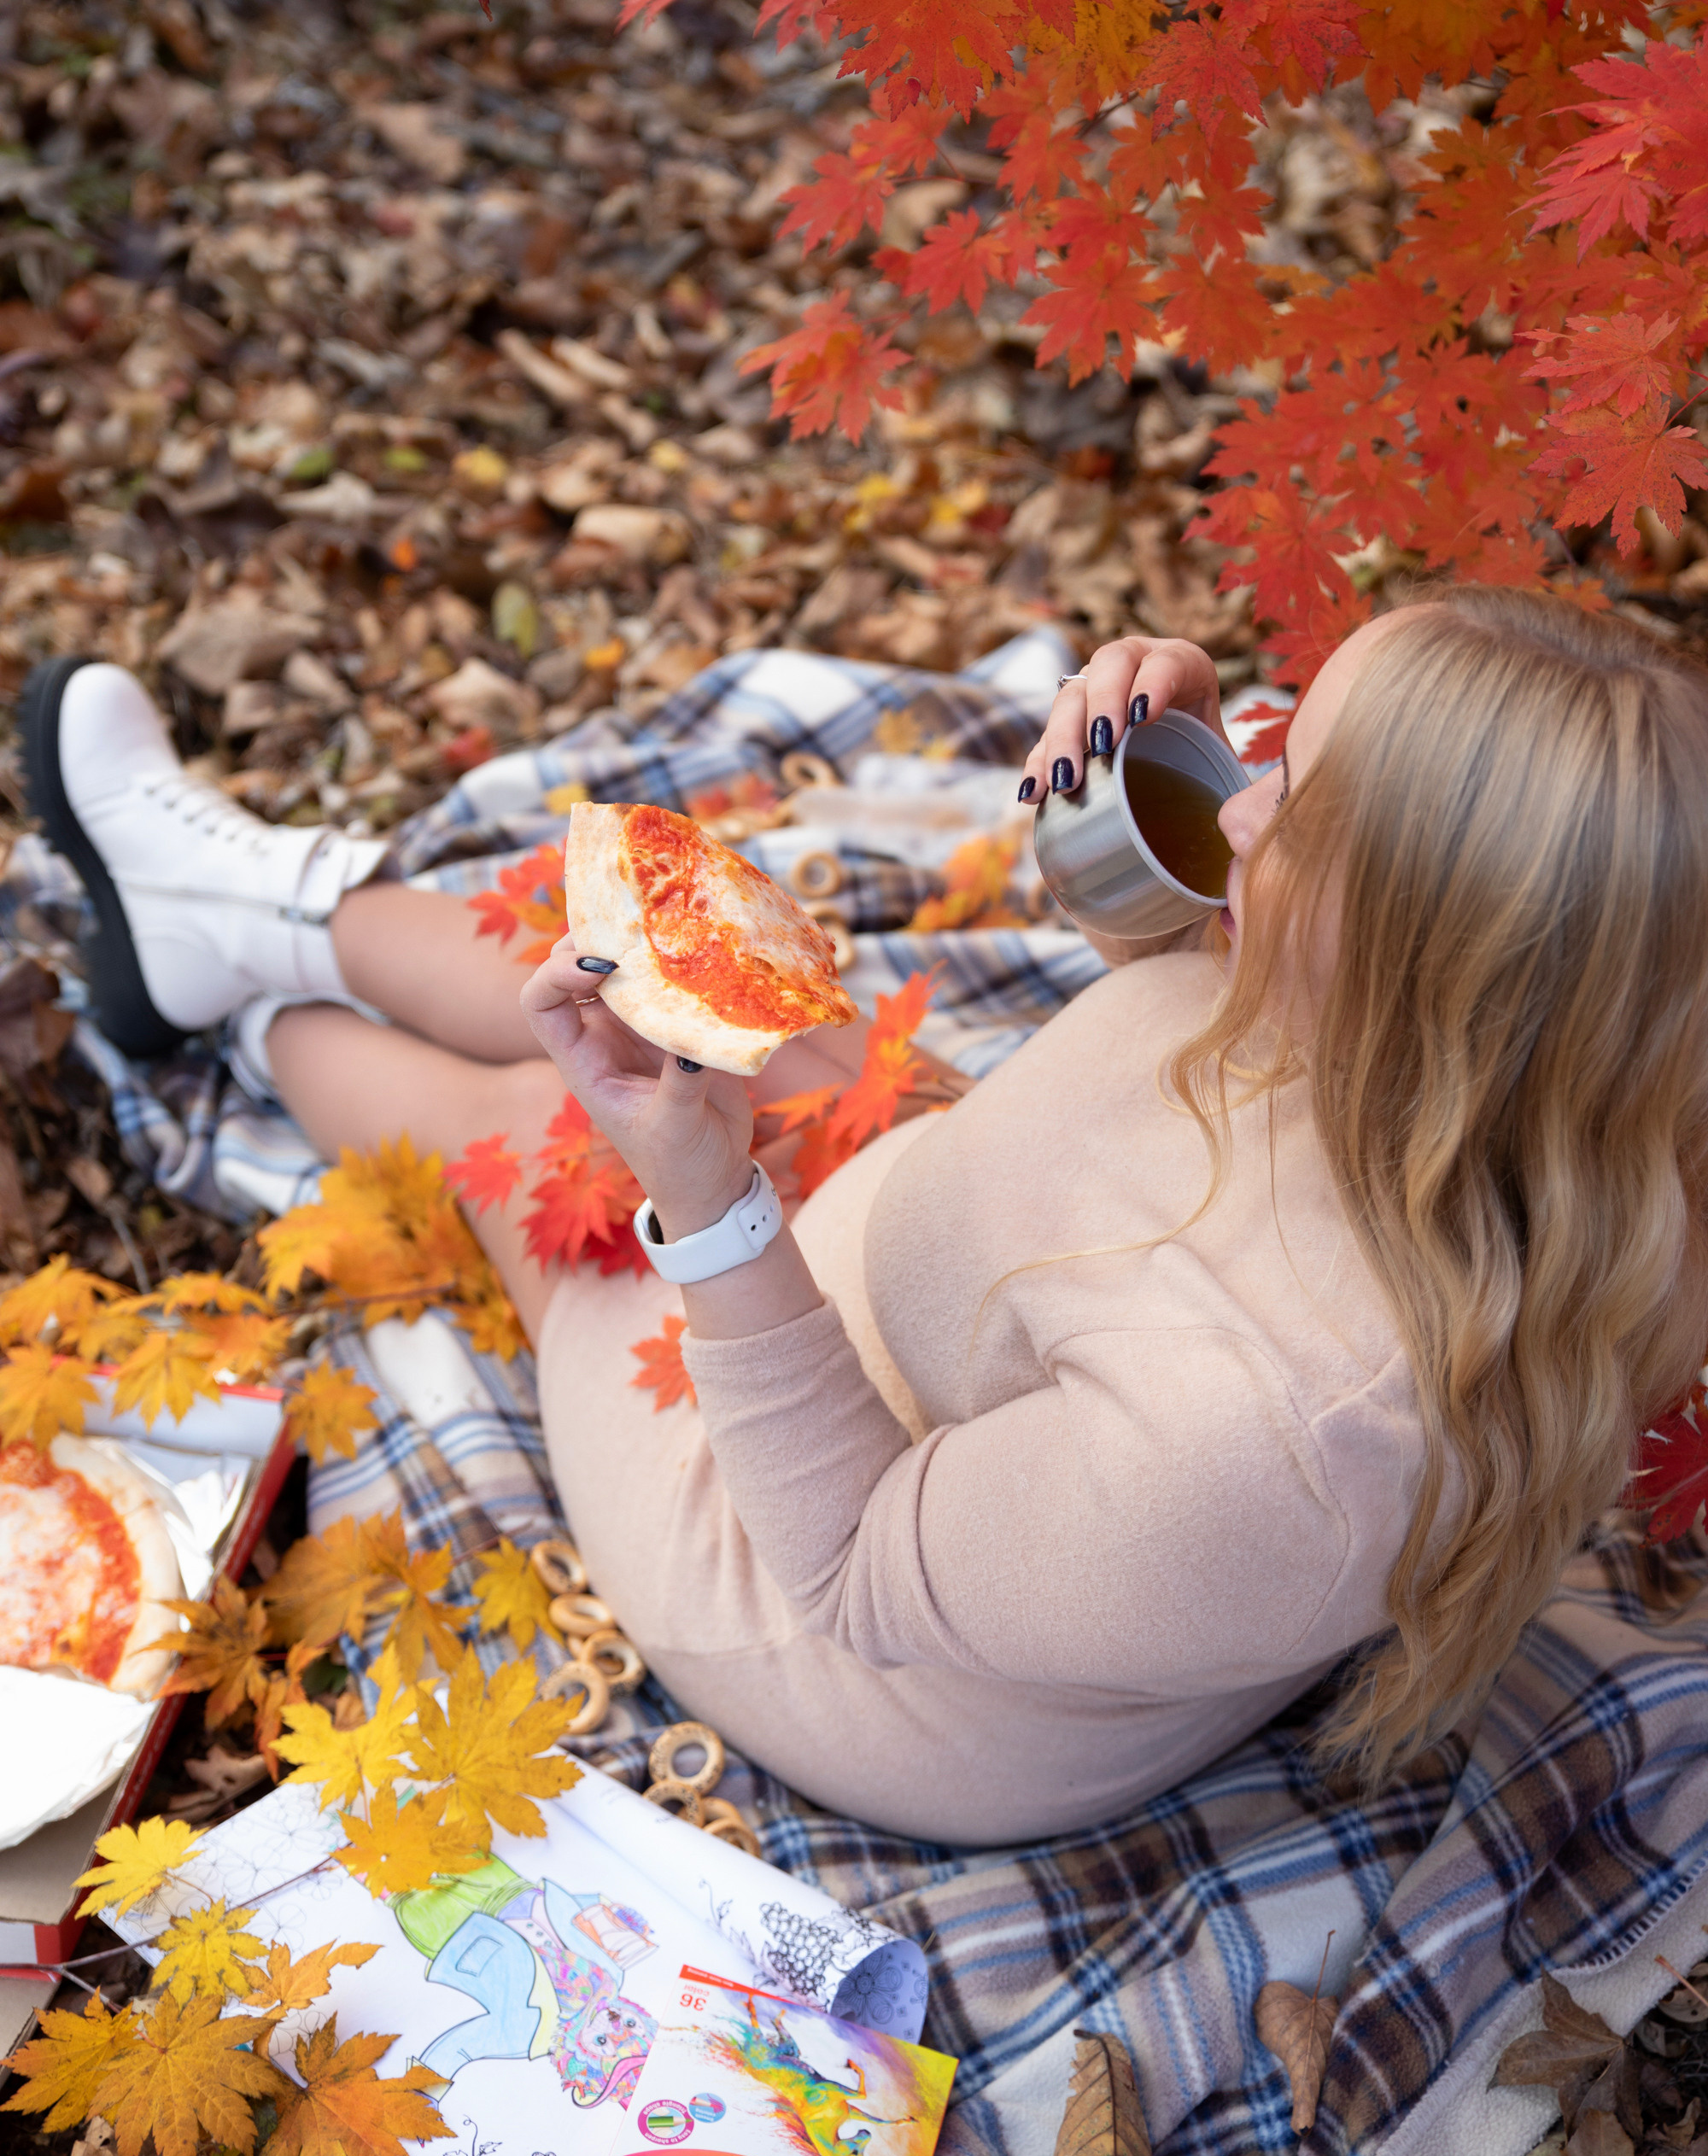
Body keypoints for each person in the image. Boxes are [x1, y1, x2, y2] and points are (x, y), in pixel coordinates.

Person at [23, 587, 1708, 1846]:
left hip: (812, 1587)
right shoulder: (1535, 1096)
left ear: (1427, 958)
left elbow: (838, 1571)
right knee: (676, 946)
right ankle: (249, 907)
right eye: (1272, 736)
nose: (1245, 784)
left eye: (1293, 795)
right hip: (957, 1282)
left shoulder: (1263, 1441)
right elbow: (1191, 1121)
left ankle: (238, 1006)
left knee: (540, 1130)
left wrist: (706, 1203)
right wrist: (1161, 820)